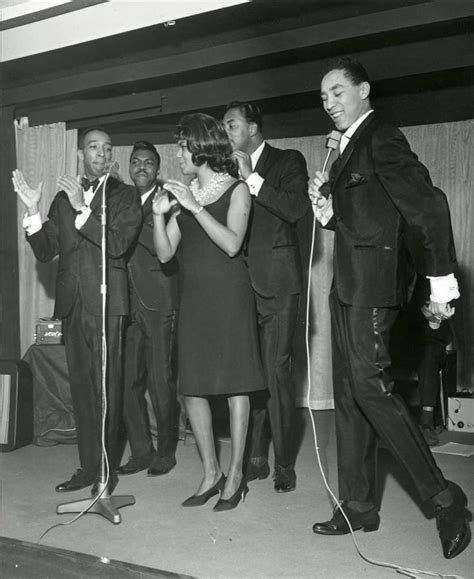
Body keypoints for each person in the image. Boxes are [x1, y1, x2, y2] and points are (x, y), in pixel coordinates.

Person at [309, 57, 470, 559]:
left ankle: (447, 500)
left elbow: (427, 205)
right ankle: (358, 504)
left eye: (337, 91)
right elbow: (374, 219)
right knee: (351, 396)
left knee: (372, 392)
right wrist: (332, 214)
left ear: (364, 90)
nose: (329, 102)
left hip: (375, 289)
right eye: (323, 97)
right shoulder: (347, 149)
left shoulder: (382, 136)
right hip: (347, 286)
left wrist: (441, 279)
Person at [13, 128, 142, 496]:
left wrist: (83, 207)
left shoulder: (126, 196)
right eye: (93, 147)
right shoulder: (62, 198)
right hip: (72, 305)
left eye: (106, 147)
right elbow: (45, 250)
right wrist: (34, 210)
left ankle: (106, 473)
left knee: (107, 389)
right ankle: (89, 468)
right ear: (80, 153)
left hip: (107, 304)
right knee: (83, 391)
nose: (100, 153)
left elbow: (115, 245)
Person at [152, 113, 265, 511]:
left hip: (230, 298)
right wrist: (158, 214)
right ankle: (210, 472)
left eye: (182, 147)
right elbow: (166, 253)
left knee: (236, 386)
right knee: (193, 389)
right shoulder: (187, 193)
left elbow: (233, 244)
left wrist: (194, 207)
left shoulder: (237, 190)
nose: (178, 154)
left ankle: (236, 476)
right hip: (195, 300)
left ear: (200, 148)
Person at [222, 101, 310, 493]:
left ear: (254, 128)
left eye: (232, 125)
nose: (226, 132)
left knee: (276, 372)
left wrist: (251, 178)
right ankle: (254, 455)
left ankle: (284, 461)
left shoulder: (288, 160)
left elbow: (294, 209)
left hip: (278, 284)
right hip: (240, 285)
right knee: (248, 375)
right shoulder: (225, 169)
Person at [117, 141, 179, 477]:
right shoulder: (122, 198)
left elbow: (162, 248)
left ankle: (165, 453)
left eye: (149, 163)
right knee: (128, 382)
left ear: (157, 168)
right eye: (136, 162)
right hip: (125, 303)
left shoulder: (168, 199)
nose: (141, 167)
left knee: (161, 381)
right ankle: (141, 451)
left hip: (159, 300)